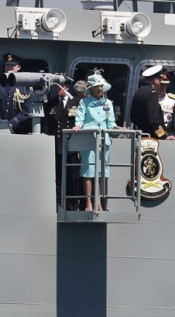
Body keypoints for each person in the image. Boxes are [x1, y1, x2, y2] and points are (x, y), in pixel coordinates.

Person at [72, 72, 119, 212]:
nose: (100, 89)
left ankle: (98, 203)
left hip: (104, 140)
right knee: (88, 172)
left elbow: (110, 123)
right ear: (91, 88)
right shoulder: (84, 102)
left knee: (99, 173)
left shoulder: (108, 103)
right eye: (97, 86)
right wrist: (77, 126)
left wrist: (118, 128)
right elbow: (79, 119)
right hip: (89, 138)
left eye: (101, 86)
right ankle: (88, 203)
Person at [46, 81, 86, 210]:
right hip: (57, 144)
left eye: (60, 87)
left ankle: (72, 202)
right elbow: (47, 124)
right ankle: (58, 202)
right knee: (58, 175)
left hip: (71, 145)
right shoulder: (51, 103)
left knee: (72, 176)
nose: (58, 89)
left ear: (67, 87)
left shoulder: (77, 102)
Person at [0, 53, 33, 134]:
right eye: (7, 65)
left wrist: (12, 122)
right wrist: (0, 122)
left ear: (18, 67)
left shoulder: (26, 87)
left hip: (18, 129)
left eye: (12, 65)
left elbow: (26, 110)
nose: (9, 67)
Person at [130, 65, 173, 140]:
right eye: (160, 80)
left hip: (140, 135)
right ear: (155, 80)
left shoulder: (139, 91)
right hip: (151, 137)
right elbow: (154, 119)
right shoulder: (152, 93)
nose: (160, 83)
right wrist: (163, 136)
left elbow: (133, 117)